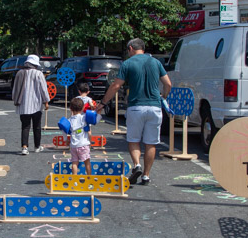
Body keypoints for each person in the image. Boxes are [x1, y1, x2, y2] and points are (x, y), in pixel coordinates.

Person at [101, 38, 171, 186]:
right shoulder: (156, 63)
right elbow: (168, 83)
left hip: (136, 107)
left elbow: (116, 86)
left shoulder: (128, 63)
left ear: (131, 48)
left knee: (134, 140)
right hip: (155, 107)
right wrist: (163, 96)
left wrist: (103, 103)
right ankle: (146, 175)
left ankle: (136, 165)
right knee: (151, 143)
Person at [13, 54, 49, 155]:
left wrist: (15, 99)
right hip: (36, 104)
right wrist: (46, 101)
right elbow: (43, 89)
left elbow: (15, 89)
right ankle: (37, 146)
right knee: (37, 126)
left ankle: (24, 147)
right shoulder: (38, 74)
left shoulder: (19, 73)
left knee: (25, 126)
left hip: (23, 104)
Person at [61, 96, 97, 175]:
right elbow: (89, 132)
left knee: (74, 163)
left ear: (70, 108)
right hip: (84, 145)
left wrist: (66, 140)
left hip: (73, 146)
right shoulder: (84, 118)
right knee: (87, 162)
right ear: (83, 108)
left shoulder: (69, 120)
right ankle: (89, 179)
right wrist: (90, 142)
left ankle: (75, 181)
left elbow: (63, 130)